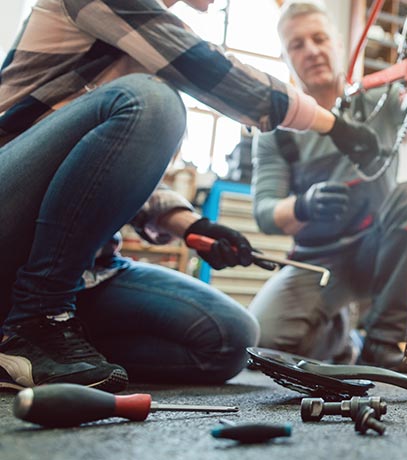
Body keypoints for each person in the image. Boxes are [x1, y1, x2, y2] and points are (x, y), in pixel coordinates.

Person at [0, 0, 380, 392]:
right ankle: (36, 321)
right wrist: (331, 124)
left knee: (232, 339)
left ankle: (37, 347)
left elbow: (92, 178)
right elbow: (211, 70)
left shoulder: (144, 37)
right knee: (154, 102)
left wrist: (191, 225)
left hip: (87, 271)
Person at [250, 1, 407, 371]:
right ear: (285, 58)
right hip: (318, 263)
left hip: (376, 251)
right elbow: (265, 212)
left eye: (319, 39)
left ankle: (381, 340)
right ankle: (338, 334)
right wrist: (303, 206)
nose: (312, 50)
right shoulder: (276, 132)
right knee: (259, 343)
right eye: (297, 45)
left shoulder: (379, 100)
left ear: (338, 44)